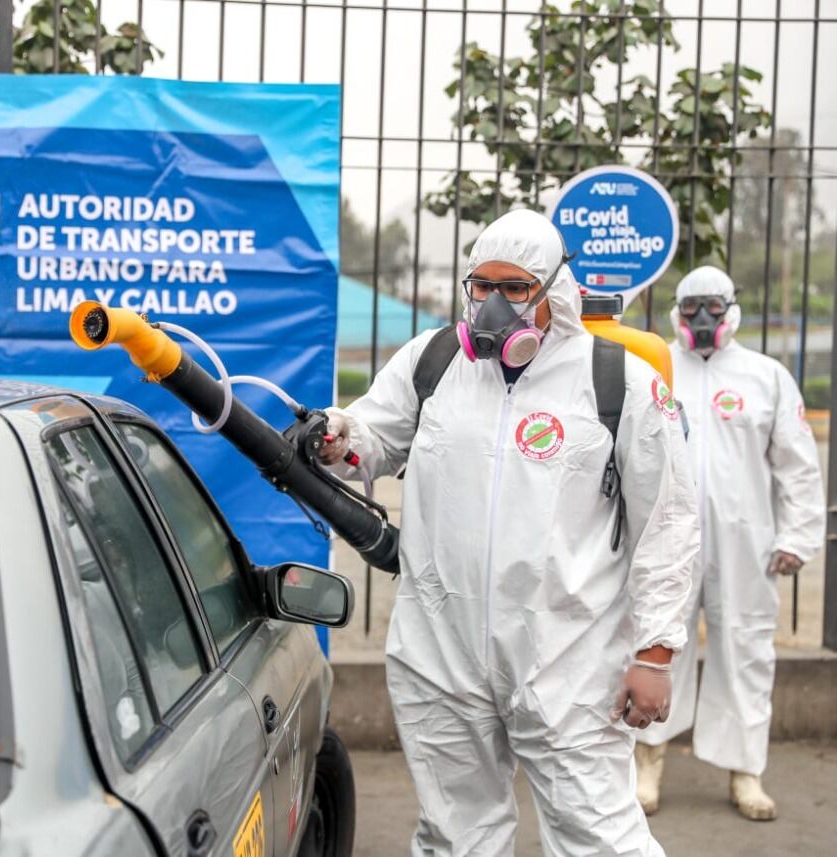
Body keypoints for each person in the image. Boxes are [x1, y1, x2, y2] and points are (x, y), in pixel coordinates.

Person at [321, 209, 698, 856]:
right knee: (453, 834)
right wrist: (337, 436)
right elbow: (372, 436)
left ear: (555, 288)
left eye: (516, 288)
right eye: (481, 285)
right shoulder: (435, 360)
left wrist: (656, 652)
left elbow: (669, 522)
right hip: (442, 653)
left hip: (570, 660)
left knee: (597, 836)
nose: (494, 304)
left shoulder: (619, 382)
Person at [634, 266, 824, 821]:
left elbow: (798, 466)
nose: (701, 318)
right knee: (656, 643)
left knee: (746, 651)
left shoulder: (765, 377)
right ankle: (649, 762)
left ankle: (747, 772)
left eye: (712, 308)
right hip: (668, 541)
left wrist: (796, 535)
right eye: (692, 307)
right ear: (677, 310)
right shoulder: (656, 368)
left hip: (747, 545)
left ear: (731, 310)